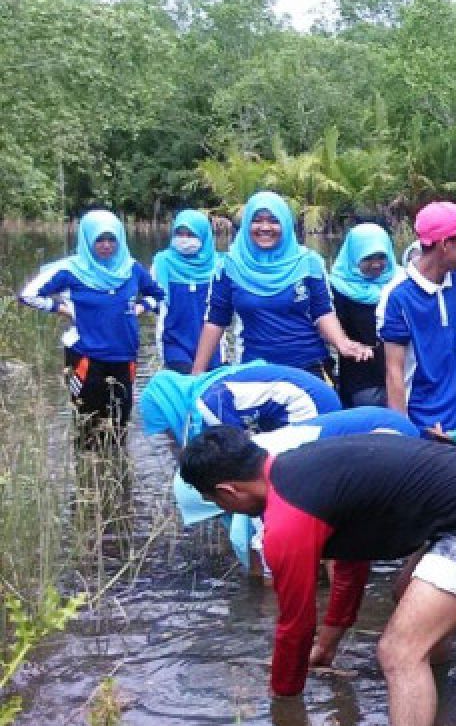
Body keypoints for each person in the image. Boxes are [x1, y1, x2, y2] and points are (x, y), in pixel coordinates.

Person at [177, 426, 456, 726]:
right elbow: (351, 563)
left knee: (398, 652)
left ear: (228, 491)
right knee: (405, 597)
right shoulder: (300, 469)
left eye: (215, 501)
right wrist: (325, 651)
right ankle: (439, 690)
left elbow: (295, 626)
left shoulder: (287, 521)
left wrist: (283, 701)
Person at [173, 407, 420, 570]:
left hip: (385, 434)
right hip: (381, 424)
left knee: (349, 536)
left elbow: (272, 570)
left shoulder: (269, 485)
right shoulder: (244, 460)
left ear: (226, 491)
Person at [190, 191, 371, 380]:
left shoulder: (309, 263)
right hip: (255, 367)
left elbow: (322, 312)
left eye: (274, 221)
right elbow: (215, 321)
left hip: (309, 365)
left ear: (285, 224)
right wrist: (197, 374)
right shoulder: (228, 267)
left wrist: (342, 343)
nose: (265, 227)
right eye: (257, 220)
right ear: (245, 225)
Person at [20, 209, 165, 444]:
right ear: (87, 240)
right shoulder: (71, 270)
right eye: (99, 239)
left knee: (120, 425)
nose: (106, 245)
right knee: (87, 426)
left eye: (111, 239)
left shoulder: (131, 269)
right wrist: (61, 308)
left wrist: (139, 308)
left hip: (123, 356)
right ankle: (86, 475)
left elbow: (159, 294)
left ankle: (117, 475)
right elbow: (28, 295)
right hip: (86, 357)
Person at [378, 202, 456, 433]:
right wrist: (402, 434)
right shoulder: (398, 296)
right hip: (423, 422)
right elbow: (394, 372)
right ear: (445, 244)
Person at [139, 361, 342, 448]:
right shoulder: (210, 386)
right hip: (318, 396)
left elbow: (236, 455)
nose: (170, 437)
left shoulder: (210, 404)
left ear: (170, 410)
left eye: (167, 429)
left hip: (309, 406)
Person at [329, 223, 396, 407]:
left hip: (402, 374)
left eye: (381, 257)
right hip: (362, 379)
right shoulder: (337, 289)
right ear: (354, 256)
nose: (376, 264)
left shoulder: (400, 284)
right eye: (367, 258)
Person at [152, 209, 222, 374]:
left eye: (191, 234)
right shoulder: (162, 263)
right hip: (174, 343)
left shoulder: (219, 266)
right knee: (182, 387)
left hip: (213, 344)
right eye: (180, 234)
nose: (184, 240)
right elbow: (155, 300)